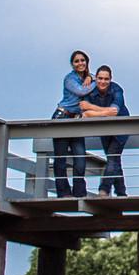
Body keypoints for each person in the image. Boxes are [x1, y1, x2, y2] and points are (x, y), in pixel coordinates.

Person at [80, 64, 129, 197]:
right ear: (95, 78)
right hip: (104, 128)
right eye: (100, 78)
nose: (103, 82)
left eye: (106, 79)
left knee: (113, 156)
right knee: (114, 159)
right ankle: (121, 193)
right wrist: (103, 112)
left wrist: (92, 107)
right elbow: (85, 114)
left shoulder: (117, 89)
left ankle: (104, 190)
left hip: (121, 127)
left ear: (110, 79)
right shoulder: (90, 91)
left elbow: (114, 111)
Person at [51, 49, 95, 198]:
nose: (80, 63)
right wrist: (94, 80)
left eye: (82, 60)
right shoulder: (69, 79)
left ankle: (79, 193)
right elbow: (81, 92)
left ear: (86, 62)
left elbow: (93, 80)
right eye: (76, 61)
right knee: (60, 158)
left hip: (77, 120)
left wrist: (91, 77)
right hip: (62, 117)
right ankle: (63, 193)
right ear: (72, 64)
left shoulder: (89, 77)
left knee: (80, 157)